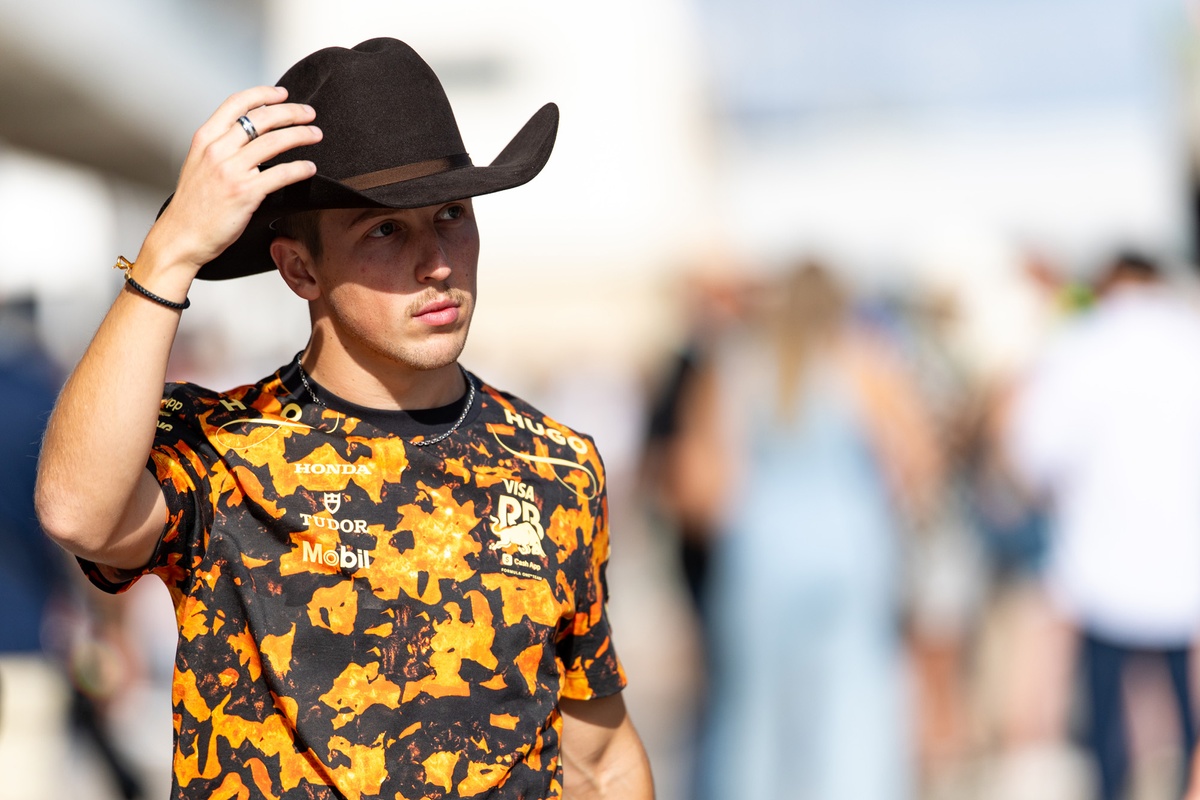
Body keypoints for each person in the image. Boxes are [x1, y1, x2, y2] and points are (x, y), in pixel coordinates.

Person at [34, 38, 653, 800]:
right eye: (385, 230)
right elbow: (77, 511)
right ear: (300, 269)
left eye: (452, 215)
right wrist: (167, 256)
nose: (437, 261)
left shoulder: (556, 465)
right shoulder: (221, 450)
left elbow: (599, 759)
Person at [672, 261, 939, 800]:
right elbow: (920, 464)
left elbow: (700, 484)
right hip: (851, 547)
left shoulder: (736, 362)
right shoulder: (865, 359)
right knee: (855, 702)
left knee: (753, 710)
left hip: (762, 551)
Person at [1006, 252, 1200, 800]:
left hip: (1104, 564)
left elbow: (1036, 452)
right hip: (1182, 566)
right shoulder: (1190, 341)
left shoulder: (1080, 346)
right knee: (1187, 717)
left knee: (1106, 723)